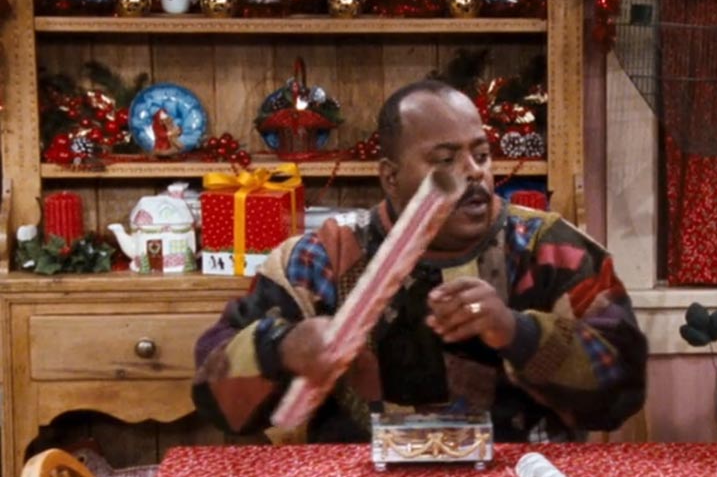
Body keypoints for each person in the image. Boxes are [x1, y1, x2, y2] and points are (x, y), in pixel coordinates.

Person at [193, 80, 647, 443]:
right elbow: (217, 401)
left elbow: (622, 390)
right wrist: (282, 347)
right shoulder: (322, 258)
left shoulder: (548, 248)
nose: (475, 172)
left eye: (482, 155)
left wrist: (516, 331)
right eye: (446, 159)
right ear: (390, 176)